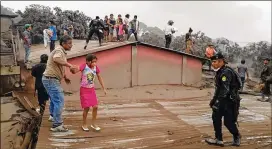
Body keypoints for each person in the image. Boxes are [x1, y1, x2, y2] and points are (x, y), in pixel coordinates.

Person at [205, 52, 242, 147]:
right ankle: (218, 139)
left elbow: (225, 90)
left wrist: (217, 102)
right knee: (216, 117)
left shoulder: (226, 72)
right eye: (212, 62)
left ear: (221, 62)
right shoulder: (220, 72)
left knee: (228, 122)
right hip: (223, 100)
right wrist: (214, 100)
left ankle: (237, 136)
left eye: (214, 61)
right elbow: (219, 89)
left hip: (230, 101)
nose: (212, 63)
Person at [42, 35, 76, 132]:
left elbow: (59, 66)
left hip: (50, 79)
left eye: (71, 43)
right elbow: (56, 59)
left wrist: (65, 77)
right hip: (51, 79)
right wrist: (69, 65)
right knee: (59, 100)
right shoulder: (59, 51)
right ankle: (57, 125)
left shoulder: (61, 51)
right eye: (69, 43)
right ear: (63, 44)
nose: (71, 45)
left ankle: (53, 116)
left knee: (54, 99)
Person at [70, 54, 106, 131]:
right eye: (93, 62)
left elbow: (99, 77)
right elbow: (75, 71)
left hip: (91, 89)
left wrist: (104, 88)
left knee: (95, 107)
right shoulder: (84, 66)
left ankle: (93, 124)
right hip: (84, 90)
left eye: (95, 62)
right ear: (88, 62)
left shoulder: (96, 68)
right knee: (86, 108)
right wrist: (72, 69)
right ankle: (84, 124)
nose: (94, 64)